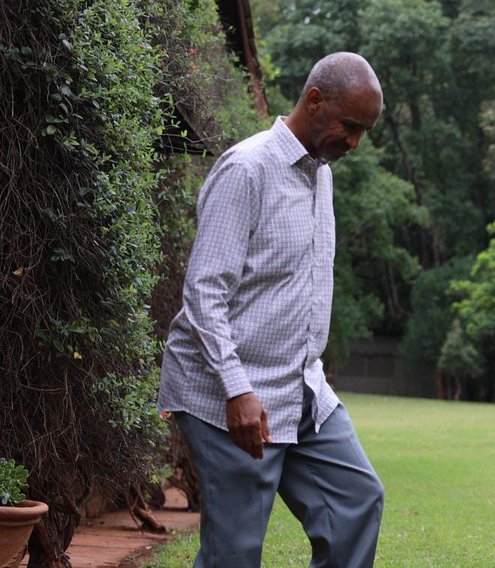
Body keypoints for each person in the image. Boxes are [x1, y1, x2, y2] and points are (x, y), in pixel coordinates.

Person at [157, 52, 385, 567]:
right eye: (350, 127)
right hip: (229, 394)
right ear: (314, 101)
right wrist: (237, 389)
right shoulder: (247, 169)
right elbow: (204, 291)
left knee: (356, 502)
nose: (355, 143)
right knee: (234, 552)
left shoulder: (321, 172)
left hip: (301, 388)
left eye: (364, 131)